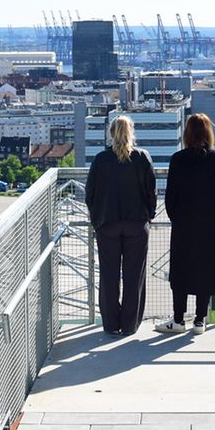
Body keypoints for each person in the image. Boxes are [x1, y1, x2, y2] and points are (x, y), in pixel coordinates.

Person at [156, 113, 215, 336]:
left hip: (184, 226)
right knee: (206, 270)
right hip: (212, 227)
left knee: (181, 271)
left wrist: (179, 219)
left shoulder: (178, 159)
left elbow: (170, 198)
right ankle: (200, 320)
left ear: (187, 133)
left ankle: (178, 319)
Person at [85, 116, 157, 335]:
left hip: (107, 223)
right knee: (134, 275)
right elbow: (151, 192)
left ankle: (110, 323)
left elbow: (90, 194)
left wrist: (96, 218)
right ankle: (129, 324)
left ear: (111, 133)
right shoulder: (142, 157)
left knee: (109, 274)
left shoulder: (100, 159)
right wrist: (149, 215)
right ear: (131, 133)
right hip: (136, 223)